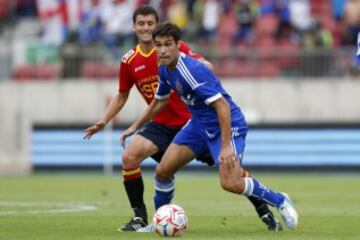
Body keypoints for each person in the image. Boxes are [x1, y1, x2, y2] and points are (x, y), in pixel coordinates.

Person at [84, 6, 281, 232]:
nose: (146, 27)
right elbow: (122, 95)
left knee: (230, 171)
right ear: (134, 27)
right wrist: (104, 120)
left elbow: (200, 64)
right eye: (141, 23)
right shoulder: (129, 60)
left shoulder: (172, 48)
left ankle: (263, 207)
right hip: (161, 124)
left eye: (150, 23)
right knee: (130, 157)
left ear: (157, 26)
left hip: (192, 122)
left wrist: (204, 66)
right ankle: (141, 217)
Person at [120, 22, 299, 232]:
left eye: (167, 44)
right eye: (158, 45)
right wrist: (135, 126)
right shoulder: (164, 69)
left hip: (228, 124)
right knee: (162, 171)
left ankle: (279, 199)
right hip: (198, 125)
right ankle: (160, 221)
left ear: (178, 45)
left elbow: (222, 106)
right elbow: (160, 101)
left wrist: (225, 146)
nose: (162, 50)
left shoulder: (191, 70)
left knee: (230, 183)